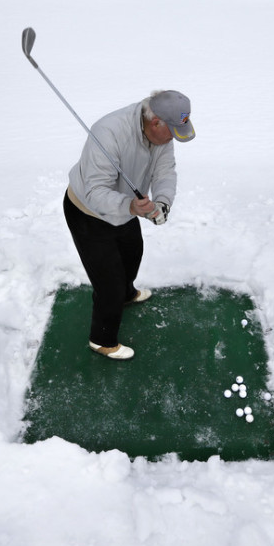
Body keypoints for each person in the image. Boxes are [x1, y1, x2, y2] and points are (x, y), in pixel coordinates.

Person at [63, 90, 195, 360]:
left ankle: (126, 293)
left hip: (125, 209)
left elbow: (165, 171)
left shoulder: (161, 133)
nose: (173, 137)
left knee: (133, 254)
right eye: (172, 130)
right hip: (88, 212)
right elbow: (95, 192)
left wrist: (162, 203)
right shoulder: (108, 133)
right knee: (107, 282)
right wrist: (131, 207)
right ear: (155, 122)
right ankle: (101, 340)